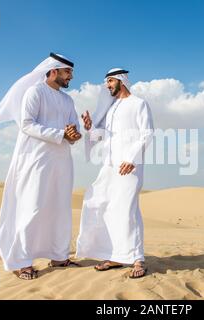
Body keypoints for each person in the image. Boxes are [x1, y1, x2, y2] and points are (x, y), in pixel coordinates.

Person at [0, 53, 82, 280]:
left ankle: (59, 256)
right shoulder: (35, 92)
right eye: (68, 72)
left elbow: (73, 131)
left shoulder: (68, 100)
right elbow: (26, 124)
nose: (71, 76)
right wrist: (61, 133)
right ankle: (22, 261)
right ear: (54, 71)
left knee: (60, 207)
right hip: (36, 159)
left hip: (62, 160)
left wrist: (73, 135)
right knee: (33, 207)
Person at [76, 68, 154, 279]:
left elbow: (147, 133)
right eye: (106, 82)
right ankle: (116, 255)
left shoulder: (139, 104)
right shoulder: (111, 109)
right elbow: (102, 137)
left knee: (128, 210)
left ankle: (138, 259)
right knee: (105, 207)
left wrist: (132, 158)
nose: (107, 85)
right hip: (109, 166)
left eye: (110, 81)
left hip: (130, 166)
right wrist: (90, 128)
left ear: (122, 80)